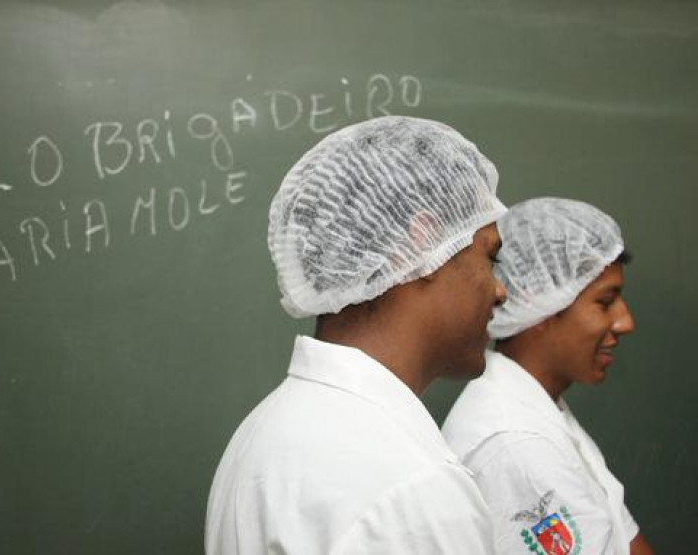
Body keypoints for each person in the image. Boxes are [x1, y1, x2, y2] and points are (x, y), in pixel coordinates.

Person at [205, 116, 508, 554]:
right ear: (423, 246)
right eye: (490, 257)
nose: (500, 291)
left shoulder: (263, 432)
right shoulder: (410, 486)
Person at [442, 197, 655, 555]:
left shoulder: (536, 407)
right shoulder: (514, 441)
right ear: (539, 303)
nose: (625, 322)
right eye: (605, 302)